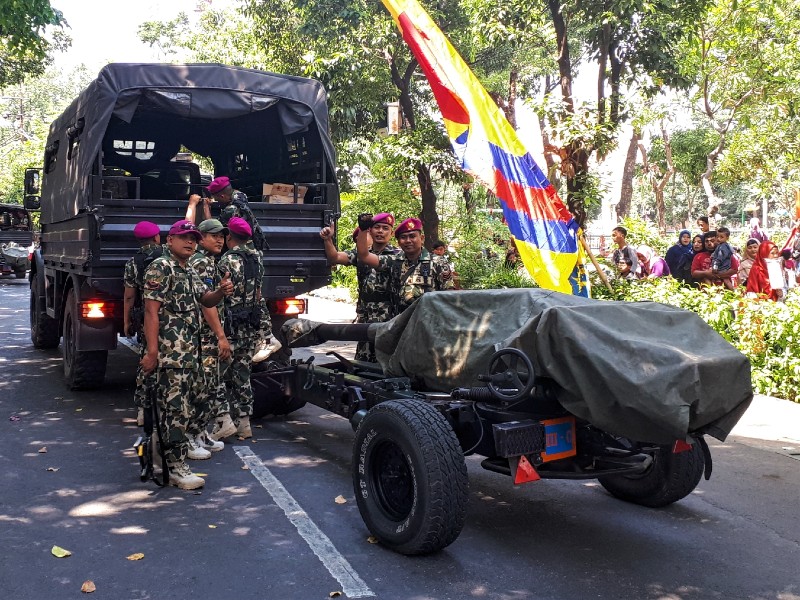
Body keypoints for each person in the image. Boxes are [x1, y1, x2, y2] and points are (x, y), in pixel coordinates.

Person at [141, 219, 234, 490]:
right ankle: (177, 467)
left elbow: (206, 301)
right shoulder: (160, 268)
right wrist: (152, 351)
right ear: (170, 240)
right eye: (184, 237)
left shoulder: (189, 269)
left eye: (193, 237)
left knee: (187, 408)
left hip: (190, 352)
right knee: (176, 411)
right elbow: (151, 312)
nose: (190, 242)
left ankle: (168, 456)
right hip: (171, 355)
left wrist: (220, 292)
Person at [319, 213, 400, 362]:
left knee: (387, 358)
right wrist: (328, 239)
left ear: (392, 233)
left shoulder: (398, 256)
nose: (381, 231)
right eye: (377, 227)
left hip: (389, 315)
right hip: (365, 314)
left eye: (385, 228)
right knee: (364, 359)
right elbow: (335, 257)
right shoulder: (360, 253)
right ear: (370, 230)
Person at [212, 217, 264, 441]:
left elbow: (219, 294)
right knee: (243, 374)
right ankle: (244, 423)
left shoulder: (226, 261)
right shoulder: (257, 258)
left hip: (230, 325)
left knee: (217, 373)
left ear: (229, 237)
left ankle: (223, 420)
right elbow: (259, 294)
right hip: (249, 326)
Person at [187, 219, 233, 453]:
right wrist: (220, 336)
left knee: (209, 385)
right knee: (201, 387)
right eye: (213, 235)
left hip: (207, 336)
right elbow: (207, 305)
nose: (219, 240)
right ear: (200, 238)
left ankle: (200, 433)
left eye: (222, 236)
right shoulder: (201, 263)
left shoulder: (207, 261)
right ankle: (190, 438)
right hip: (204, 336)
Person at [356, 215, 454, 316]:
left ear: (422, 238)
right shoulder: (393, 261)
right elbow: (364, 256)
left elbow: (449, 297)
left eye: (412, 236)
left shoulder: (437, 263)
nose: (408, 241)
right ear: (398, 242)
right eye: (403, 237)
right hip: (400, 322)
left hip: (428, 322)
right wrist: (363, 229)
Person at [123, 221, 163, 427]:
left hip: (147, 317)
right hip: (172, 318)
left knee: (147, 358)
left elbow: (129, 297)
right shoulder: (168, 256)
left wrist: (127, 321)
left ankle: (142, 409)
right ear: (157, 237)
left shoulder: (133, 262)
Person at [189, 176, 267, 252]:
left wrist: (206, 207)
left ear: (222, 196)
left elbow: (213, 227)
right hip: (250, 247)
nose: (215, 200)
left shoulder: (230, 210)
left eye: (215, 197)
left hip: (237, 249)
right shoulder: (241, 196)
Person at [711, 226, 735, 290]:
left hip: (722, 267)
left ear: (727, 238)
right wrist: (713, 255)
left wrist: (715, 266)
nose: (718, 238)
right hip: (724, 266)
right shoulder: (722, 245)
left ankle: (733, 291)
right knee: (725, 280)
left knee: (724, 280)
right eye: (717, 236)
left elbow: (720, 257)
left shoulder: (723, 246)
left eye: (721, 237)